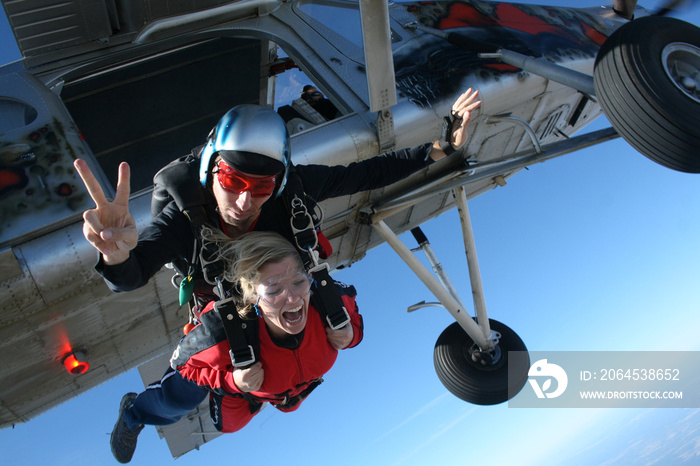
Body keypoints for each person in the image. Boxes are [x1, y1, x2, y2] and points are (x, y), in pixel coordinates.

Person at [74, 88, 481, 462]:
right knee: (184, 395)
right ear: (212, 168)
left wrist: (441, 148)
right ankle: (135, 413)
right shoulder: (183, 220)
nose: (244, 200)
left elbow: (366, 173)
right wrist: (117, 255)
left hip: (284, 289)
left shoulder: (294, 190)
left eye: (262, 187)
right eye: (232, 181)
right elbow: (131, 274)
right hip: (225, 302)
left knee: (312, 340)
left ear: (279, 182)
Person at [110, 231, 363, 461]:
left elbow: (355, 314)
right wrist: (233, 381)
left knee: (256, 416)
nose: (294, 297)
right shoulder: (223, 334)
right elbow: (183, 366)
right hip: (241, 383)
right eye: (274, 289)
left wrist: (352, 334)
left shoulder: (331, 303)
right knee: (184, 399)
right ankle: (133, 415)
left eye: (299, 281)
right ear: (254, 296)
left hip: (284, 389)